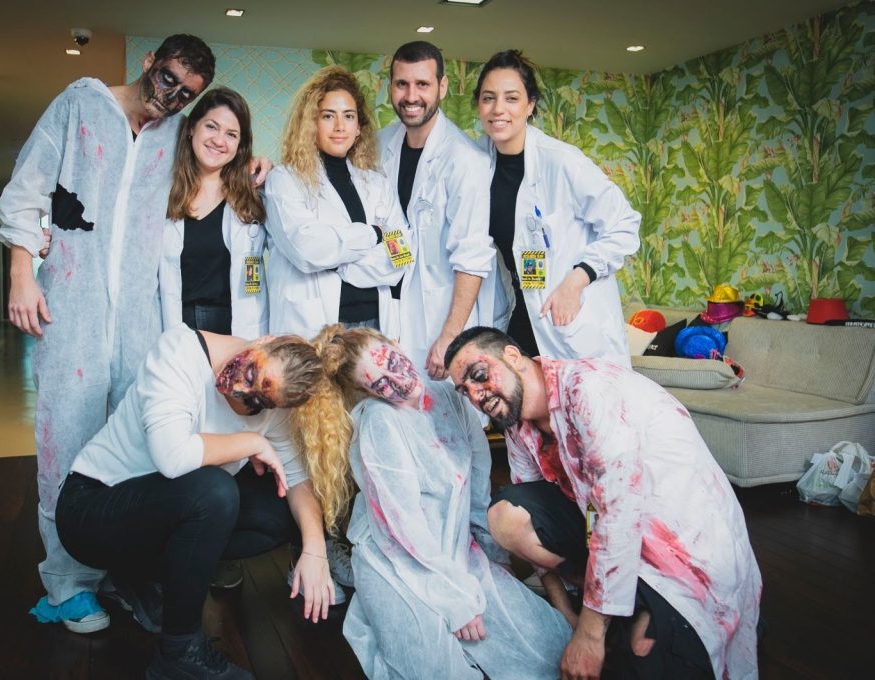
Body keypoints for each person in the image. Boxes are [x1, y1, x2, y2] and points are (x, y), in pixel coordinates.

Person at [0, 34, 217, 633]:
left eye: (187, 94)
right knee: (66, 439)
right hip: (73, 303)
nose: (172, 98)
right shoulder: (81, 102)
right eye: (168, 79)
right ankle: (68, 583)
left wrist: (257, 165)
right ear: (149, 62)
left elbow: (217, 163)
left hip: (139, 317)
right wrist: (22, 273)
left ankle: (123, 568)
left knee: (133, 443)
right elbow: (26, 190)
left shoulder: (173, 134)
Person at [445, 326, 762, 680]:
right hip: (606, 531)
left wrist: (589, 635)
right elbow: (535, 511)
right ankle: (613, 607)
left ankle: (628, 615)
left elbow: (619, 514)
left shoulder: (588, 390)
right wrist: (567, 616)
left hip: (682, 545)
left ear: (513, 357)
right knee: (506, 515)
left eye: (479, 376)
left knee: (645, 650)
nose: (476, 395)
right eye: (465, 391)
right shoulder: (519, 425)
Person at [55, 325, 347, 679]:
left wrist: (314, 548)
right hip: (91, 509)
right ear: (265, 341)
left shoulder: (274, 400)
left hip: (157, 513)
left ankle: (145, 576)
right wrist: (252, 442)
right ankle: (179, 654)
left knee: (281, 511)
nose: (243, 391)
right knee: (215, 491)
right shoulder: (179, 351)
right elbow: (172, 456)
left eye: (261, 401)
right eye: (252, 372)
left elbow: (297, 477)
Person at [313, 324, 571, 679]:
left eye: (391, 361)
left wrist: (495, 559)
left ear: (397, 345)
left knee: (543, 650)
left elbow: (478, 488)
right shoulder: (379, 422)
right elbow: (402, 527)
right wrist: (454, 599)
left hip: (456, 546)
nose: (397, 380)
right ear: (366, 392)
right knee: (435, 668)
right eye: (380, 383)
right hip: (396, 558)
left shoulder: (450, 396)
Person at [474, 50, 640, 366]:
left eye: (511, 98)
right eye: (488, 98)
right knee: (518, 408)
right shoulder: (478, 161)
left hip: (570, 315)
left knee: (577, 408)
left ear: (530, 105)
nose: (498, 109)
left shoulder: (562, 161)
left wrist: (576, 280)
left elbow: (625, 224)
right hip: (521, 312)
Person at [377, 41, 503, 379]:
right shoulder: (379, 145)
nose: (411, 95)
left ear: (442, 87)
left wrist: (450, 336)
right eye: (402, 83)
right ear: (390, 86)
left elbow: (472, 258)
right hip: (389, 311)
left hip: (439, 319)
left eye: (423, 84)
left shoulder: (465, 160)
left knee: (444, 422)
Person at [263, 66, 407, 341]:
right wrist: (375, 234)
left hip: (375, 325)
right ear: (311, 123)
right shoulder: (284, 180)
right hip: (315, 328)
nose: (340, 126)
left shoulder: (377, 184)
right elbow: (307, 251)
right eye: (328, 116)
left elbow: (401, 255)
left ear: (358, 127)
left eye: (349, 116)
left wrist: (338, 262)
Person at [161, 87, 268, 338]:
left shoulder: (255, 193)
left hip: (237, 327)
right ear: (191, 129)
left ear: (240, 145)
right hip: (178, 325)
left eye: (231, 134)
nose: (219, 140)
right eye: (211, 127)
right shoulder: (162, 193)